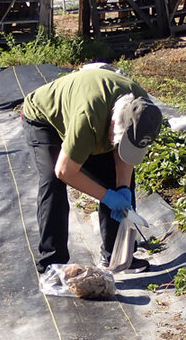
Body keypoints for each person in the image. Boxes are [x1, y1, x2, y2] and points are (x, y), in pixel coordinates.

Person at [21, 67, 163, 273]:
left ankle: (116, 256)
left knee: (117, 180)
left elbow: (125, 152)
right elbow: (65, 171)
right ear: (113, 123)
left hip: (95, 115)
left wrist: (122, 187)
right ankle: (52, 263)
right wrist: (107, 196)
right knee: (52, 181)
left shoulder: (143, 110)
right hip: (44, 119)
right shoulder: (87, 118)